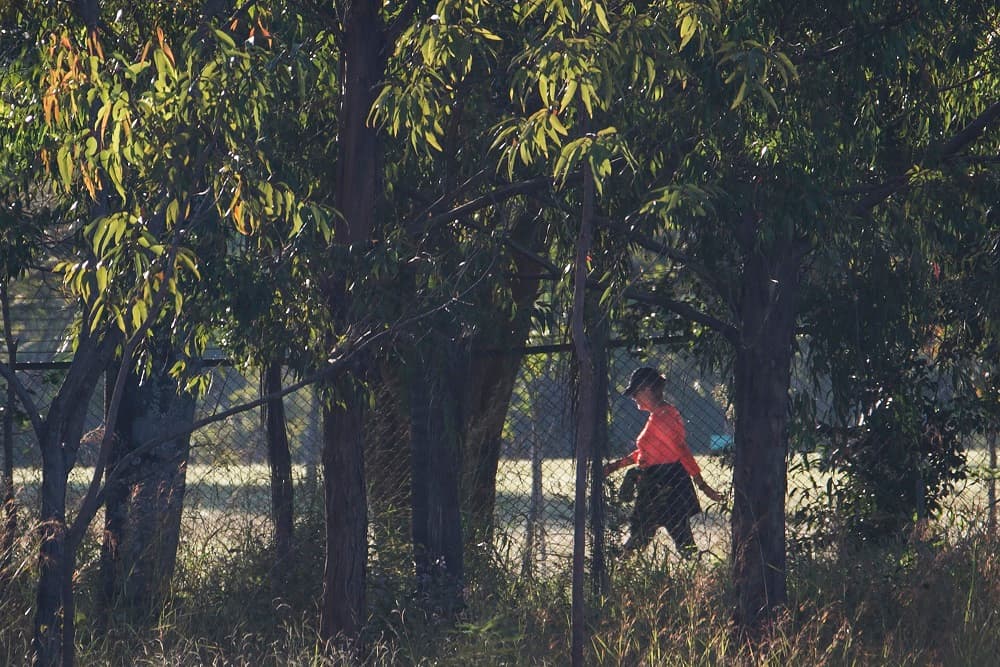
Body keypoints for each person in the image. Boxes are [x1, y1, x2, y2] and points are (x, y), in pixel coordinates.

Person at [604, 367, 724, 558]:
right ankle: (625, 565)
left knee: (647, 533)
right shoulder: (658, 415)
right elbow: (647, 452)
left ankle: (621, 566)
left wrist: (702, 485)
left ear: (647, 389)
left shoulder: (664, 416)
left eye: (635, 392)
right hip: (659, 481)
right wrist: (616, 466)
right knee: (659, 534)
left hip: (665, 482)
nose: (634, 398)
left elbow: (681, 450)